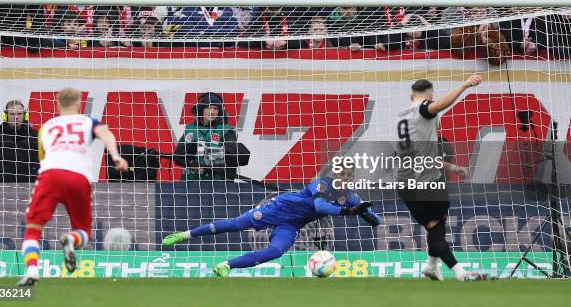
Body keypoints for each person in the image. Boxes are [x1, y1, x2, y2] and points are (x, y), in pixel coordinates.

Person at [162, 164, 382, 276]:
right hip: (278, 208)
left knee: (276, 251)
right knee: (237, 224)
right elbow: (320, 206)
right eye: (340, 175)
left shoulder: (350, 196)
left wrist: (367, 213)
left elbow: (374, 219)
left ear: (352, 178)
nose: (343, 179)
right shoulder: (322, 183)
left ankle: (226, 265)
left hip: (292, 224)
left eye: (348, 176)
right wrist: (347, 212)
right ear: (334, 174)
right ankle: (184, 235)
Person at [16, 88, 128, 286]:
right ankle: (70, 239)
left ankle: (32, 270)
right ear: (78, 104)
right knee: (83, 232)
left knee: (33, 229)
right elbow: (105, 133)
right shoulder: (87, 121)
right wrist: (116, 156)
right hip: (79, 178)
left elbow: (42, 157)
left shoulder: (47, 126)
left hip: (50, 176)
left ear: (58, 104)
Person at [394, 76, 489, 282]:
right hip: (426, 183)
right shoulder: (424, 109)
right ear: (429, 96)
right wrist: (464, 85)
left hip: (405, 183)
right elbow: (437, 106)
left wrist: (454, 168)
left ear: (411, 96)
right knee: (436, 228)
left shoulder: (400, 116)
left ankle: (432, 266)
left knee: (435, 224)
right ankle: (461, 274)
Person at [173, 92, 243, 180]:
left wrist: (211, 159)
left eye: (215, 108)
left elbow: (233, 158)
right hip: (190, 182)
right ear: (201, 109)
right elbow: (177, 156)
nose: (212, 112)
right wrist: (191, 163)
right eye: (209, 108)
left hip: (217, 183)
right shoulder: (190, 128)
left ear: (219, 111)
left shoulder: (226, 130)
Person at [0, 100, 39, 183]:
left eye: (19, 114)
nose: (16, 117)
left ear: (25, 115)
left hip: (31, 187)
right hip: (3, 189)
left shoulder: (36, 136)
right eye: (12, 114)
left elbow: (44, 163)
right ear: (6, 116)